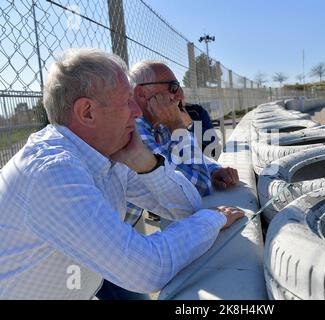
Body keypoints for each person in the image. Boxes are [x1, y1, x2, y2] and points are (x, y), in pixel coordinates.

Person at [0, 48, 244, 300]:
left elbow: (186, 205)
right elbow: (146, 269)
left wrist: (147, 164)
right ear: (87, 112)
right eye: (127, 100)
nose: (136, 112)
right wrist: (213, 219)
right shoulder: (52, 172)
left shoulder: (110, 153)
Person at [124, 61, 240, 225]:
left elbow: (188, 163)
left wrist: (214, 170)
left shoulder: (158, 124)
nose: (180, 95)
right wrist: (177, 126)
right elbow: (199, 186)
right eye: (173, 87)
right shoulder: (134, 129)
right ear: (142, 93)